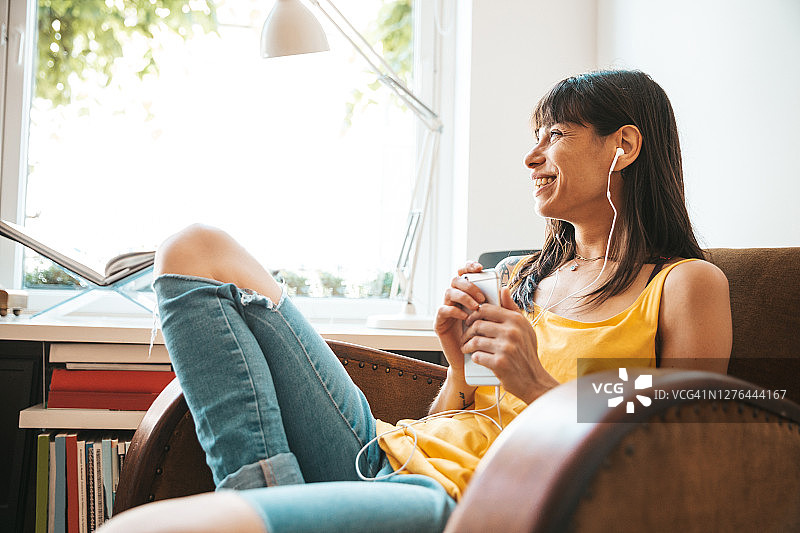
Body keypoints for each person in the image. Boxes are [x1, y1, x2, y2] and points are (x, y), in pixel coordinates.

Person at [99, 69, 732, 533]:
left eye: (556, 134)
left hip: (458, 499)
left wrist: (535, 383)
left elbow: (680, 458)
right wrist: (456, 367)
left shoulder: (684, 286)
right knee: (194, 249)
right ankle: (265, 496)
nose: (531, 156)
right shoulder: (518, 277)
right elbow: (456, 417)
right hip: (378, 452)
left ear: (623, 146)